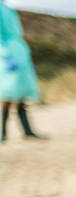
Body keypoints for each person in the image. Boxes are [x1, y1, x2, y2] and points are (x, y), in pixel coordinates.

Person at [0, 0, 44, 143]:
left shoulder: (8, 8)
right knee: (8, 92)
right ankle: (3, 133)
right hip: (7, 52)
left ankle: (27, 130)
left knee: (22, 93)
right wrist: (5, 54)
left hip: (19, 50)